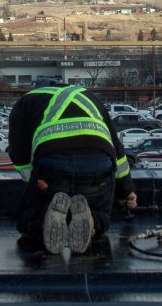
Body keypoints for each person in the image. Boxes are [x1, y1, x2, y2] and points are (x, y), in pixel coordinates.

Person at [8, 84, 137, 254]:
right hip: (98, 171)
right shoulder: (89, 96)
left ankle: (43, 222)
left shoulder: (24, 103)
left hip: (53, 169)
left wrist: (34, 184)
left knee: (29, 220)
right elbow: (118, 153)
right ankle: (92, 222)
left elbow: (19, 154)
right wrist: (127, 191)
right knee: (101, 214)